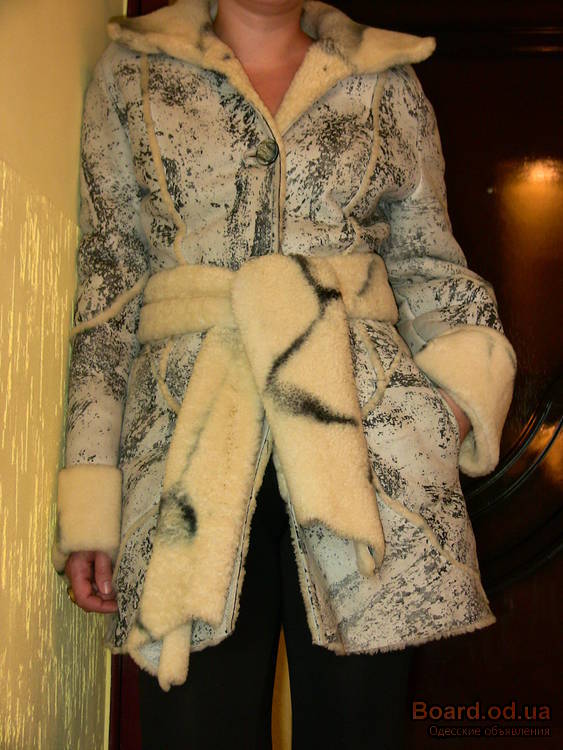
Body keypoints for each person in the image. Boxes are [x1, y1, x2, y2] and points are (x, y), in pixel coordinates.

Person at [51, 0, 517, 747]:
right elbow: (109, 286)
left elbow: (431, 267)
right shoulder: (132, 71)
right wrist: (91, 503)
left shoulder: (384, 78)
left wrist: (449, 410)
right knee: (195, 728)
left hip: (366, 445)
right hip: (184, 445)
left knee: (358, 729)